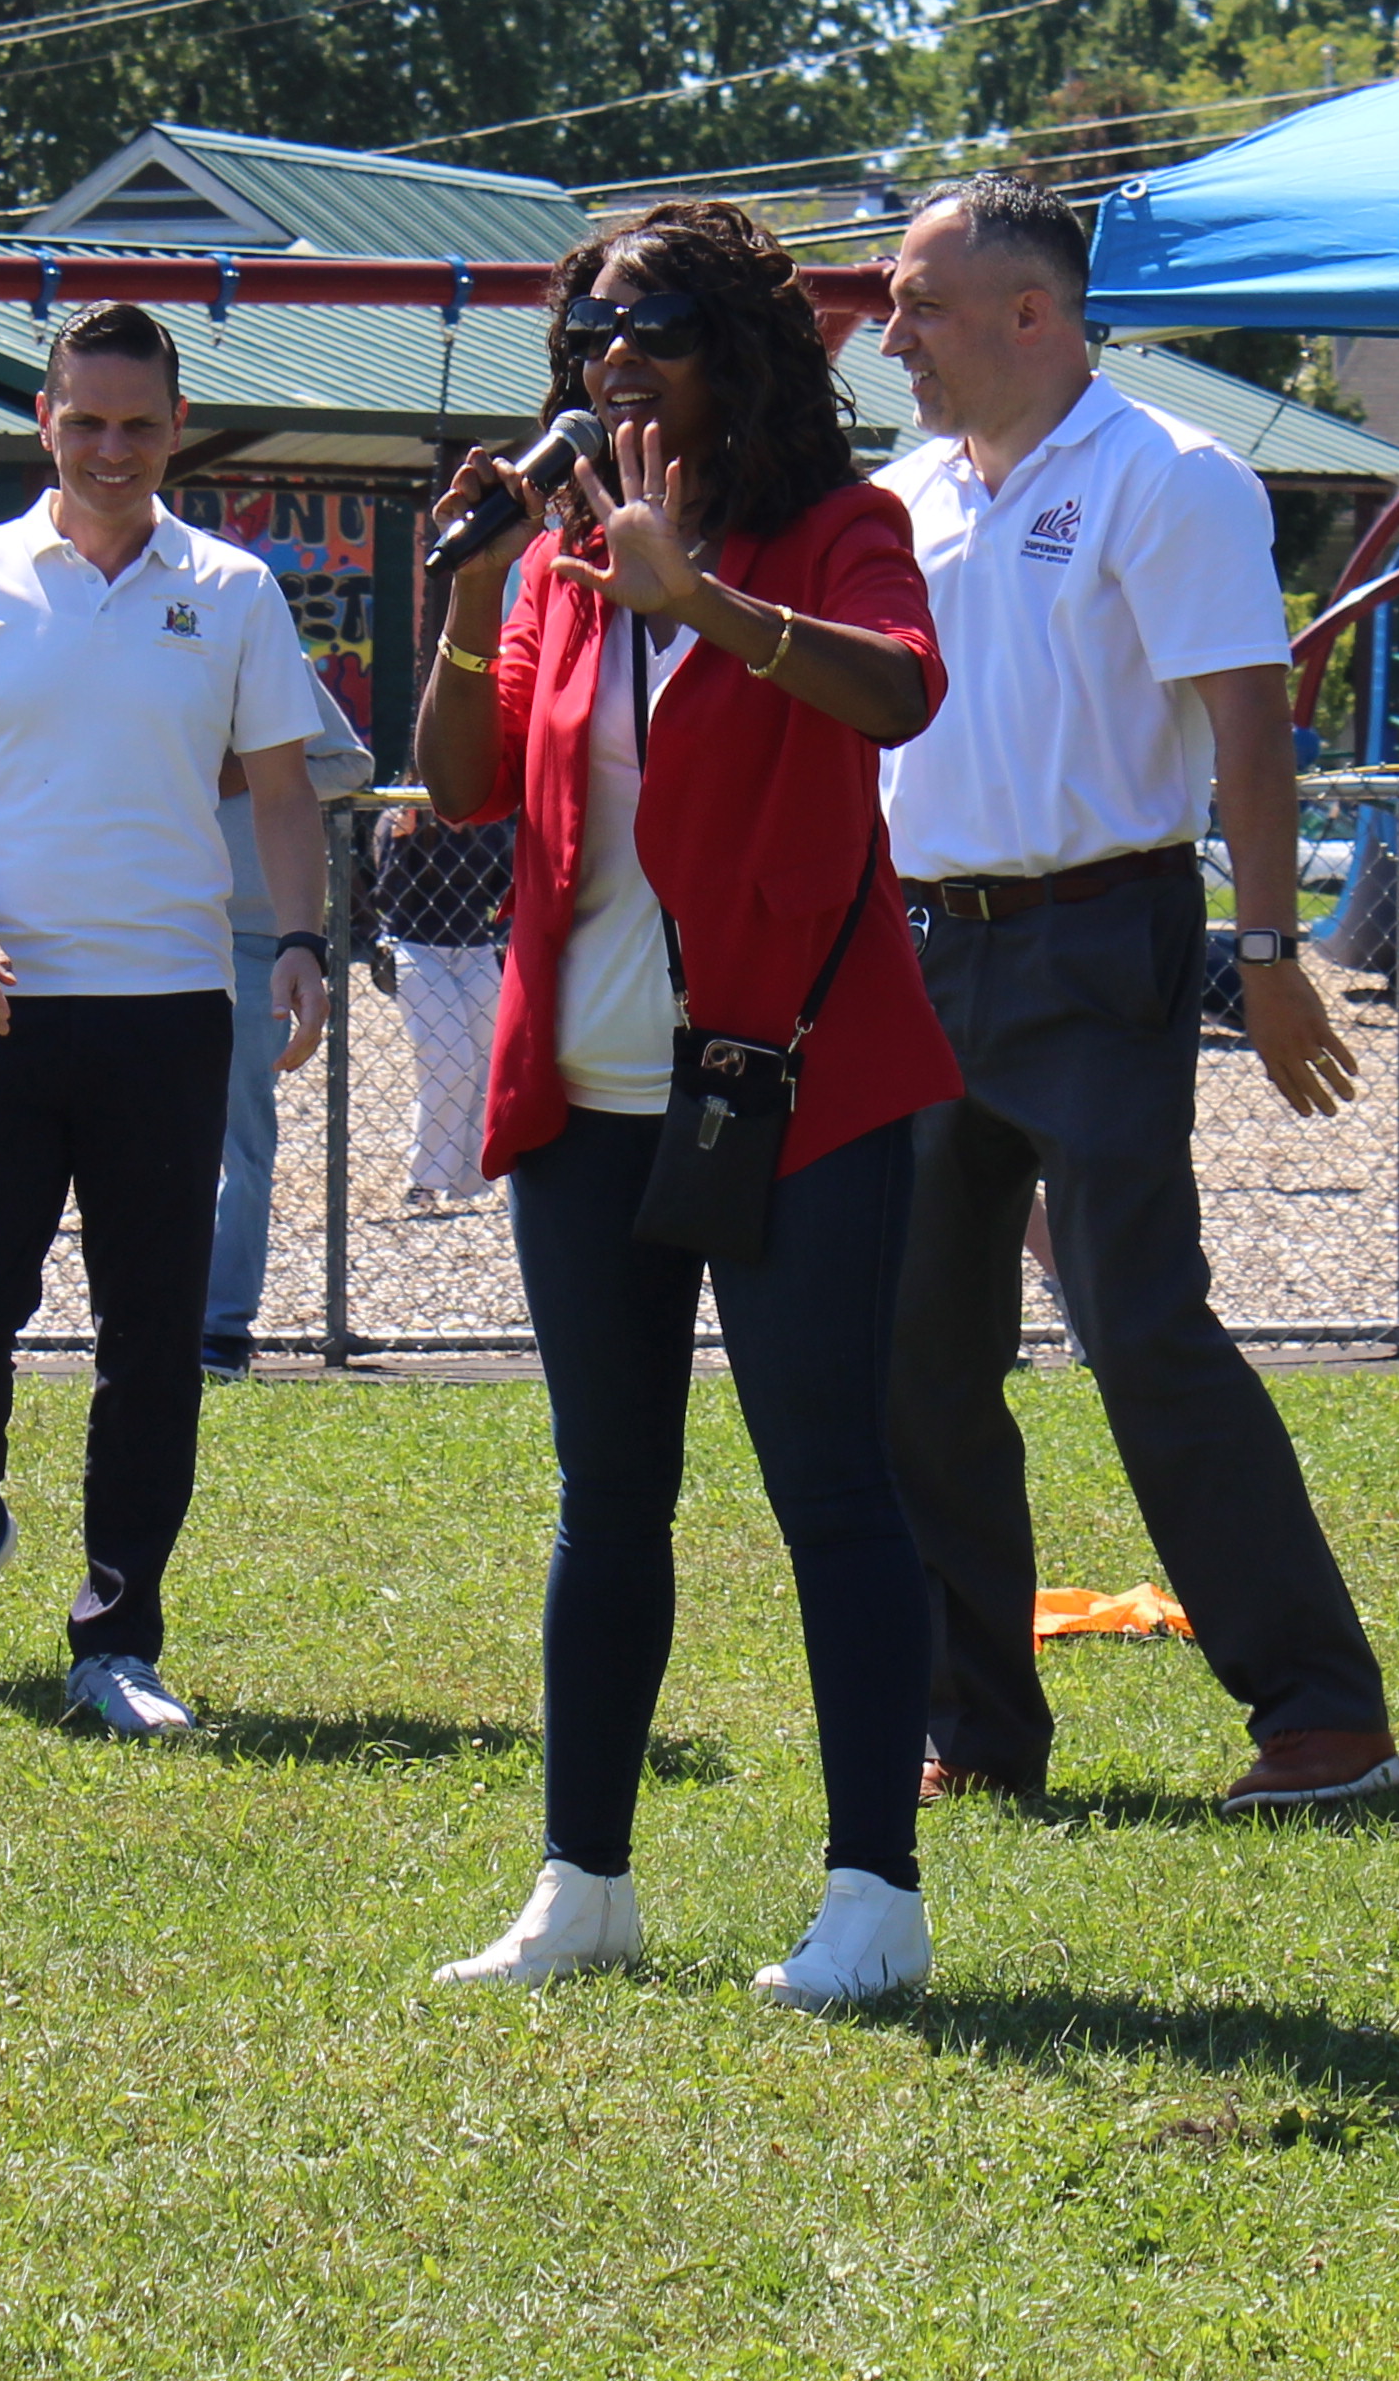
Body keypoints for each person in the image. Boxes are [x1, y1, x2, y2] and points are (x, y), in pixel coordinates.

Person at [410, 200, 961, 2011]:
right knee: (606, 1495)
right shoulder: (562, 570)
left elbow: (895, 693)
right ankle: (582, 1884)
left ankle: (870, 1896)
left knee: (828, 1485)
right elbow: (459, 788)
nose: (608, 355)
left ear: (738, 355)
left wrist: (703, 597)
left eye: (647, 324)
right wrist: (481, 593)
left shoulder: (837, 527)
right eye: (585, 330)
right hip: (586, 1089)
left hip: (789, 1085)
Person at [868, 172, 1399, 1816]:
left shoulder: (1168, 479)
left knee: (1140, 1331)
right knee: (915, 1363)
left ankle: (1320, 1718)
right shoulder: (897, 497)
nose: (887, 332)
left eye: (919, 303)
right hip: (914, 955)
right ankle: (975, 1726)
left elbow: (1247, 725)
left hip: (1096, 943)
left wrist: (1262, 958)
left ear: (1031, 314)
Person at [0, 300, 331, 1739]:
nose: (111, 448)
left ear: (175, 429)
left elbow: (288, 793)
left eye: (138, 423)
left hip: (172, 1010)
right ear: (45, 425)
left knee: (152, 1332)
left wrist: (302, 938)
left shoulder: (237, 591)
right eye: (85, 421)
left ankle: (117, 1637)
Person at [202, 674, 372, 1372]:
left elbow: (348, 763)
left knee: (237, 1146)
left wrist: (246, 767)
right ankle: (139, 1320)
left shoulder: (255, 636)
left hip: (248, 934)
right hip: (135, 929)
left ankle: (219, 1329)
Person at [382, 796, 514, 1211]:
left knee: (487, 1062)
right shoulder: (402, 814)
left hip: (474, 948)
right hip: (415, 946)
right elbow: (386, 899)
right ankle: (425, 1179)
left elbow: (506, 888)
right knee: (449, 1059)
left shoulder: (489, 816)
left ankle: (470, 1182)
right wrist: (401, 843)